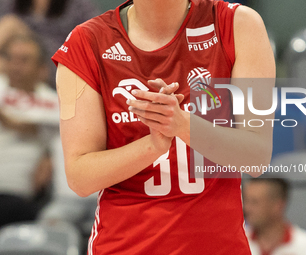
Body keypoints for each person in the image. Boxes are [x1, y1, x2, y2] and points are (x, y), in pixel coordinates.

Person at [52, 0, 275, 254]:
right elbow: (80, 177)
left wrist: (181, 125)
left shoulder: (238, 24)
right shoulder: (87, 41)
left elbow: (256, 157)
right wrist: (153, 145)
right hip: (125, 247)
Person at [0, 34, 59, 227]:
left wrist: (49, 154)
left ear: (42, 69)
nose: (15, 66)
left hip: (23, 196)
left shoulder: (54, 102)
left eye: (24, 60)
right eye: (10, 58)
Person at [0, 0, 100, 84]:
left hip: (56, 63)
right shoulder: (10, 3)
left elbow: (97, 39)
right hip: (14, 59)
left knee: (11, 23)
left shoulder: (78, 5)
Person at [243, 177, 306, 255]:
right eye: (246, 201)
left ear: (277, 205)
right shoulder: (238, 241)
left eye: (254, 202)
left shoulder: (305, 245)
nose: (246, 208)